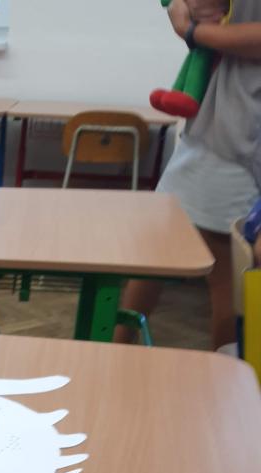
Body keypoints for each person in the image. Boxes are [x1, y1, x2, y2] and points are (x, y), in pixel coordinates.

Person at [115, 0, 261, 354]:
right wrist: (181, 9)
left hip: (239, 137)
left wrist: (193, 31)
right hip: (211, 128)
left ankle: (227, 378)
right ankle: (113, 354)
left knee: (228, 275)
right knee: (157, 251)